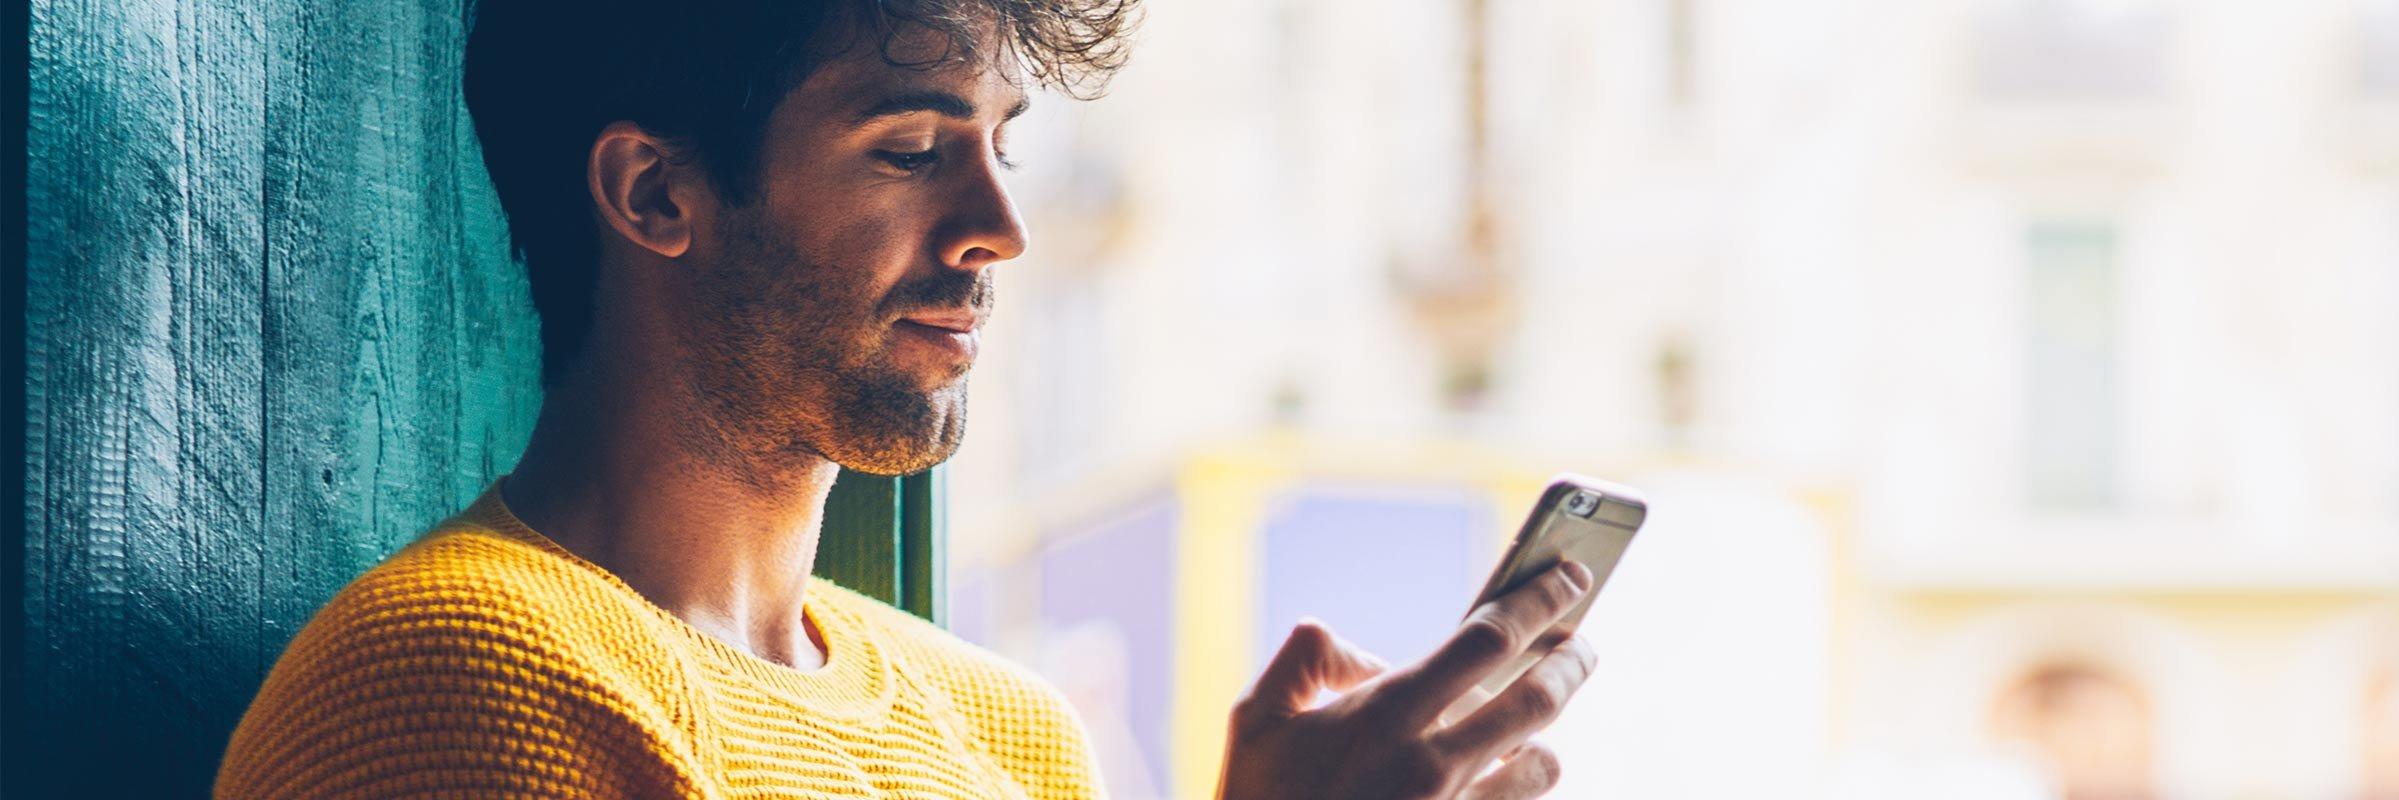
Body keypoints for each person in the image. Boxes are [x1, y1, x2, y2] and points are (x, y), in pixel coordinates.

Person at [212, 0, 1597, 797]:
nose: (1000, 223)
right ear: (657, 192)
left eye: (1001, 144)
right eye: (916, 147)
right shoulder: (462, 680)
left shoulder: (1010, 734)